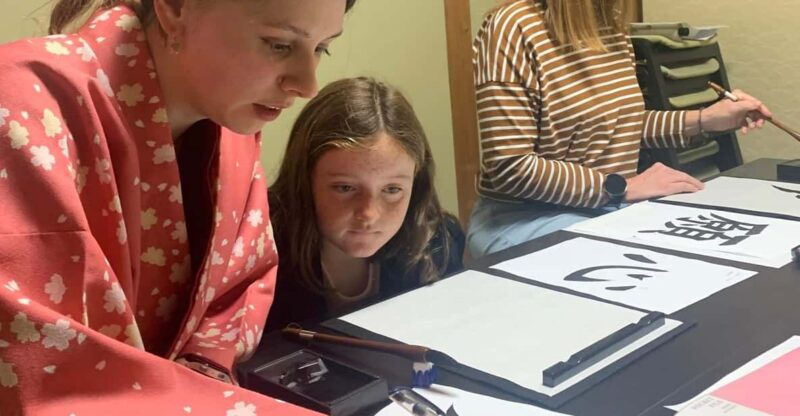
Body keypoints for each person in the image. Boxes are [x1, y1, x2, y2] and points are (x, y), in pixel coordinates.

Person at [0, 0, 356, 414]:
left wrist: (203, 372)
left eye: (322, 48)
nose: (308, 83)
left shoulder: (231, 124)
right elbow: (40, 366)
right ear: (174, 8)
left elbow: (239, 288)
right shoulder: (20, 107)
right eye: (278, 44)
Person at [467, 0, 772, 257]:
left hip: (604, 209)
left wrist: (705, 118)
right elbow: (511, 166)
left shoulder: (609, 24)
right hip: (523, 219)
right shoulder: (512, 26)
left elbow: (619, 125)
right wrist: (621, 188)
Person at [266, 77, 464, 331]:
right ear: (303, 180)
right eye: (345, 188)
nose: (369, 213)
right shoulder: (261, 251)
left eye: (392, 190)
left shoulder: (438, 242)